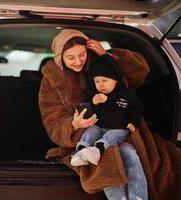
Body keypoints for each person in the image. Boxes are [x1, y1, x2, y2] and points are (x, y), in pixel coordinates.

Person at [38, 29, 149, 200]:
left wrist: (107, 55)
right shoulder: (53, 80)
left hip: (120, 129)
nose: (77, 61)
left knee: (130, 153)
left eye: (82, 54)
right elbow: (52, 121)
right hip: (84, 138)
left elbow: (140, 73)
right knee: (107, 158)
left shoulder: (101, 62)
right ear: (60, 57)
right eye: (70, 57)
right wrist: (73, 125)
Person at [71, 54, 143, 167]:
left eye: (104, 81)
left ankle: (98, 150)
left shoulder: (126, 94)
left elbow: (136, 109)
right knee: (92, 131)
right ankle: (82, 151)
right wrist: (94, 103)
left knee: (113, 135)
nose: (101, 85)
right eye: (97, 81)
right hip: (100, 126)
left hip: (119, 127)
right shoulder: (93, 95)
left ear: (115, 80)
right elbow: (91, 114)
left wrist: (133, 122)